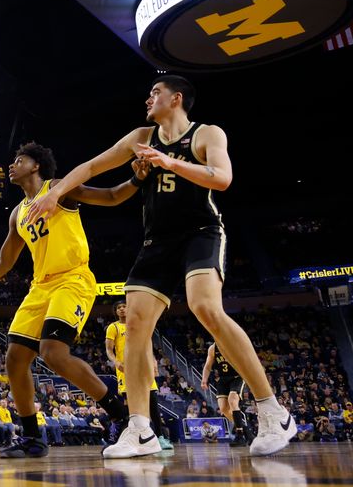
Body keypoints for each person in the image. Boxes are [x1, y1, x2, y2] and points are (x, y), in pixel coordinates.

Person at [25, 75, 296, 458]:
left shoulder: (206, 134)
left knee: (204, 306)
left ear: (177, 99)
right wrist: (55, 192)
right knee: (135, 324)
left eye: (156, 93)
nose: (148, 98)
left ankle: (272, 410)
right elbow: (90, 167)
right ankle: (140, 429)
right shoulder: (141, 136)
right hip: (158, 240)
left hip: (201, 232)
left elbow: (222, 178)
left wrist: (169, 161)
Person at [0, 142, 148, 459]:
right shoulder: (18, 213)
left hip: (73, 278)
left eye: (19, 160)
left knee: (53, 353)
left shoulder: (58, 190)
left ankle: (121, 415)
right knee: (15, 358)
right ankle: (32, 439)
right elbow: (3, 262)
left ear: (36, 166)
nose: (12, 165)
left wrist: (135, 180)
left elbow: (110, 196)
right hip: (40, 286)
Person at [105, 299, 173, 449]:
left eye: (124, 307)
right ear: (116, 312)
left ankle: (160, 437)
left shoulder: (138, 325)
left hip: (143, 367)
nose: (122, 309)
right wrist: (115, 361)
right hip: (126, 369)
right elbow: (109, 350)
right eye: (119, 307)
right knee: (131, 406)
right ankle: (132, 436)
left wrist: (153, 362)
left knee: (153, 404)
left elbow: (147, 346)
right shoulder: (113, 327)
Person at [202, 342, 250, 446]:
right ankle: (247, 431)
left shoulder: (233, 344)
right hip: (223, 379)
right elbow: (207, 366)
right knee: (223, 409)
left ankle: (240, 435)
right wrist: (204, 379)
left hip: (237, 377)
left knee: (232, 401)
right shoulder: (213, 348)